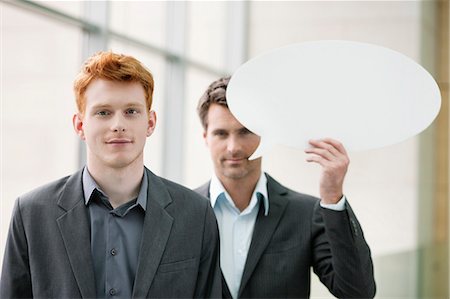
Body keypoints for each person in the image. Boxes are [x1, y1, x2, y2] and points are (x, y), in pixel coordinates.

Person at [0, 51, 221, 298]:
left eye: (131, 111)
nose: (118, 124)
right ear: (80, 125)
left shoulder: (195, 215)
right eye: (103, 112)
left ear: (150, 123)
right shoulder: (31, 213)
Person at [195, 76, 376, 298]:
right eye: (221, 134)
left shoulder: (305, 213)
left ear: (264, 136)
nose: (234, 147)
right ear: (206, 138)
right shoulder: (183, 214)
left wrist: (332, 195)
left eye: (245, 132)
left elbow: (357, 292)